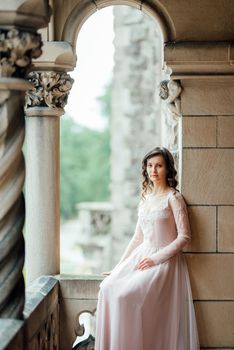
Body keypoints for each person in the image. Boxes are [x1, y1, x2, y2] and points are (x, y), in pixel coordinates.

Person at [94, 147, 200, 350]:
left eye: (159, 165)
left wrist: (156, 258)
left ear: (168, 169)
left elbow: (184, 237)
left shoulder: (174, 198)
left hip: (163, 262)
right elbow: (137, 238)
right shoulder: (145, 199)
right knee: (107, 287)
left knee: (125, 297)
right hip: (142, 256)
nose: (154, 170)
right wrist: (119, 267)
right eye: (150, 166)